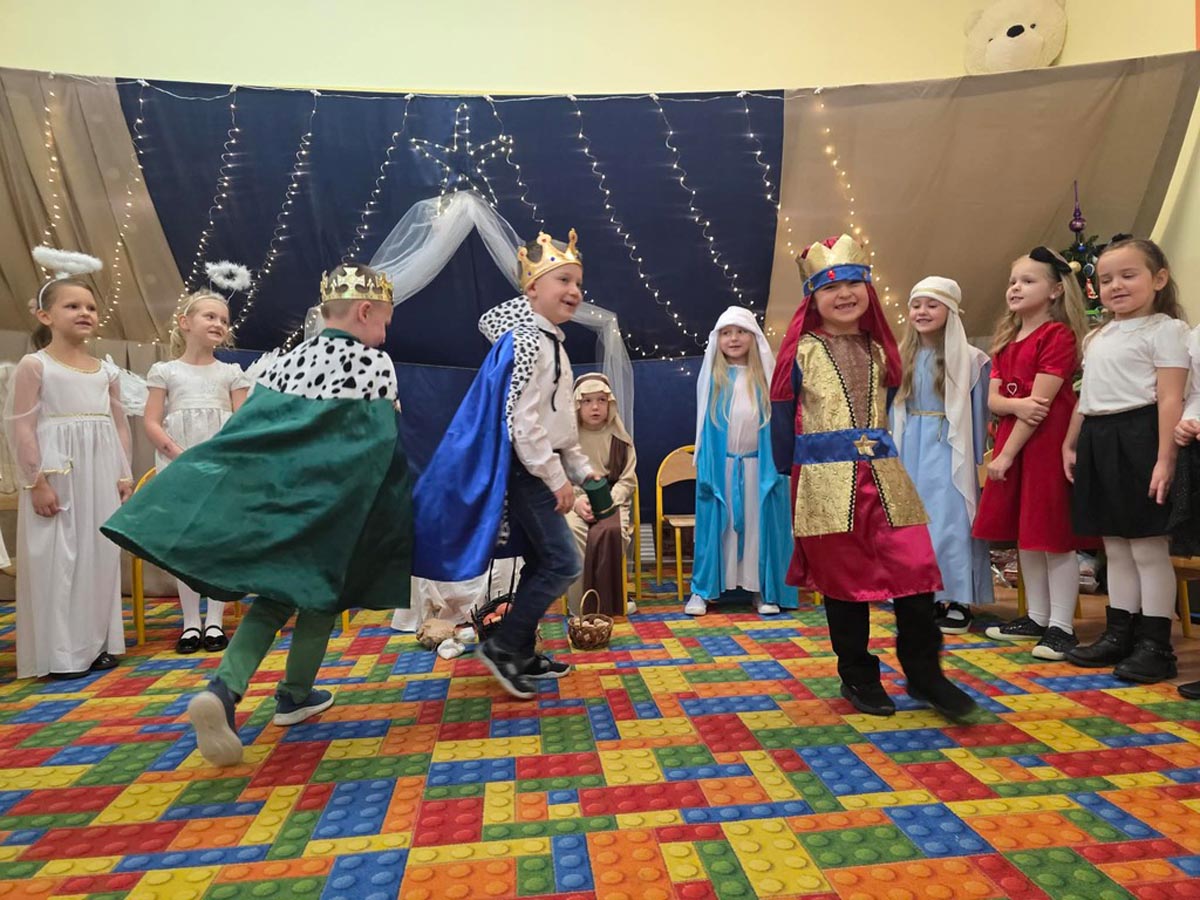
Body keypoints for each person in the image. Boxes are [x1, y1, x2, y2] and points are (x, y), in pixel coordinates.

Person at [102, 263, 413, 766]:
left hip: (281, 504)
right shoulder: (374, 364)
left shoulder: (286, 363)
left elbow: (250, 433)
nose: (385, 333)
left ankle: (224, 690)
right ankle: (293, 694)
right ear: (364, 311)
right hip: (333, 510)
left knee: (273, 599)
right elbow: (378, 447)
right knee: (321, 599)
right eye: (385, 321)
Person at [770, 234, 975, 720]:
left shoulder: (883, 350)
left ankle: (925, 674)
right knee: (844, 586)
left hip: (886, 477)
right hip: (824, 482)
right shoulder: (801, 352)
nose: (843, 294)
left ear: (868, 289)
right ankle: (859, 675)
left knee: (916, 572)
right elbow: (782, 415)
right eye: (829, 287)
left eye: (852, 284)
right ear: (813, 298)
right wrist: (789, 473)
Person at [413, 229, 596, 700]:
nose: (574, 291)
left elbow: (560, 425)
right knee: (564, 562)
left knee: (542, 561)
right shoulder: (527, 342)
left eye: (578, 282)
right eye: (564, 281)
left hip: (541, 466)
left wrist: (581, 469)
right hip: (527, 470)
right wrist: (556, 478)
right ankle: (504, 645)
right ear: (532, 288)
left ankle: (522, 652)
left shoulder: (552, 342)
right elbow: (522, 422)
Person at [1063, 237, 1189, 682]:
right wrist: (1071, 443)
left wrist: (1165, 460)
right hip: (1099, 439)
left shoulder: (1167, 330)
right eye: (1105, 279)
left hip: (1141, 438)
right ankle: (1120, 633)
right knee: (1115, 546)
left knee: (1147, 548)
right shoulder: (1098, 335)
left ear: (1159, 278)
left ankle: (1156, 645)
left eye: (1128, 275)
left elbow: (1170, 399)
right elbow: (1088, 398)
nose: (1115, 285)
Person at [6, 265, 132, 679]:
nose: (85, 313)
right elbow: (21, 426)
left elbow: (119, 425)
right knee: (60, 559)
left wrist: (123, 473)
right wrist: (35, 481)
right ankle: (61, 652)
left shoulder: (107, 371)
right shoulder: (35, 365)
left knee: (98, 555)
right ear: (45, 315)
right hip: (58, 472)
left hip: (100, 473)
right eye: (73, 306)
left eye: (91, 307)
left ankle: (96, 643)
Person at [973, 247, 1090, 661]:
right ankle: (1036, 617)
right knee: (1027, 534)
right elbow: (994, 399)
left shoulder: (1057, 336)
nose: (1015, 288)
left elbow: (1041, 407)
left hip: (1043, 445)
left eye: (1028, 281)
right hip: (1015, 439)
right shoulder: (1007, 340)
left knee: (1052, 535)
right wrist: (1015, 406)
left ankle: (1061, 626)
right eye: (1013, 281)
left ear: (1056, 290)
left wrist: (1005, 454)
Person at [143, 289, 250, 653]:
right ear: (185, 323)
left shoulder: (231, 373)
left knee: (216, 541)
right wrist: (178, 454)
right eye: (210, 316)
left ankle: (215, 621)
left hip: (220, 466)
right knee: (186, 544)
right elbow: (151, 421)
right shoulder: (165, 371)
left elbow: (241, 422)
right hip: (179, 464)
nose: (219, 323)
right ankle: (191, 623)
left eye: (224, 320)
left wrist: (221, 456)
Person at [892, 277, 994, 634]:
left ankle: (959, 598)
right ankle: (926, 594)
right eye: (916, 305)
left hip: (948, 448)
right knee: (915, 524)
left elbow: (979, 413)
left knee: (951, 521)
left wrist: (975, 456)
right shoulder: (901, 356)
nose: (922, 312)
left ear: (950, 311)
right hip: (909, 446)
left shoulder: (972, 359)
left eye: (932, 305)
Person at [688, 306, 797, 617]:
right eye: (726, 333)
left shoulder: (766, 378)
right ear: (718, 339)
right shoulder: (713, 378)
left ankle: (761, 588)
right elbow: (704, 427)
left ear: (753, 337)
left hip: (758, 468)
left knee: (757, 529)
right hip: (721, 468)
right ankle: (703, 590)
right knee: (717, 528)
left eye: (740, 332)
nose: (733, 338)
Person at [565, 373, 638, 617]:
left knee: (614, 532)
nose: (595, 407)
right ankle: (580, 606)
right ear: (577, 404)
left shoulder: (621, 439)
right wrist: (577, 502)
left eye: (601, 400)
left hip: (613, 502)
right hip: (576, 501)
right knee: (574, 531)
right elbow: (559, 478)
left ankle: (610, 602)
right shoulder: (566, 440)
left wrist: (607, 502)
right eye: (587, 401)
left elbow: (627, 480)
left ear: (610, 404)